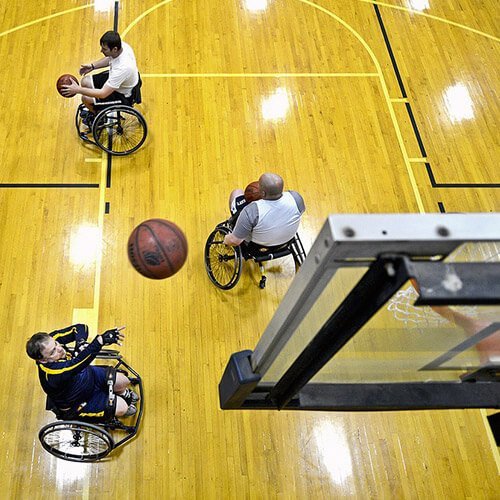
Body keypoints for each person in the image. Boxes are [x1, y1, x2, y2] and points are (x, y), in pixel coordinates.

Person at [26, 324, 139, 419]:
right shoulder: (52, 373)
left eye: (56, 343)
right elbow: (78, 363)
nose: (59, 348)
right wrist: (100, 341)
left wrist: (80, 342)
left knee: (124, 381)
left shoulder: (48, 342)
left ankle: (123, 393)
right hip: (79, 401)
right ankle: (120, 407)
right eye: (52, 352)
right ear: (42, 360)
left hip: (87, 376)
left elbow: (80, 327)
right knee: (123, 408)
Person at [61, 31, 139, 118]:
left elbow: (103, 94)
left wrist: (77, 90)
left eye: (104, 49)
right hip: (120, 81)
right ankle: (96, 108)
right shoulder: (121, 46)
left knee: (85, 99)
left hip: (123, 95)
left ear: (115, 49)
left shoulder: (123, 68)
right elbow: (110, 58)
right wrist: (92, 66)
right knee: (85, 81)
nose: (101, 51)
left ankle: (98, 116)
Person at [223, 173, 305, 248]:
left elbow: (235, 241)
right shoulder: (296, 198)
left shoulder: (252, 211)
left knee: (237, 192)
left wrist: (226, 239)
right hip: (286, 241)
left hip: (258, 246)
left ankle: (236, 223)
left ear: (263, 193)